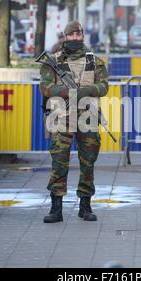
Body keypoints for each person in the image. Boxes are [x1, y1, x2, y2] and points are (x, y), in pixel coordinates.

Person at [39, 20, 109, 223]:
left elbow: (104, 86)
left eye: (79, 35)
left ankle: (85, 205)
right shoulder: (52, 61)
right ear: (65, 37)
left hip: (88, 117)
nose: (76, 39)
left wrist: (86, 91)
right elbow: (45, 88)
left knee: (88, 163)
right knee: (59, 162)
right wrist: (68, 92)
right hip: (61, 117)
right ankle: (56, 207)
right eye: (72, 35)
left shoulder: (95, 61)